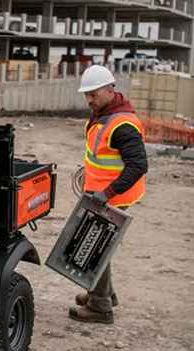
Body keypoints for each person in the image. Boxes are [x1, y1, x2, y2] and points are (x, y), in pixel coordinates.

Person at [68, 65, 148, 325]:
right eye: (86, 95)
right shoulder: (104, 114)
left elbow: (138, 165)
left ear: (110, 90)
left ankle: (100, 307)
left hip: (114, 198)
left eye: (93, 94)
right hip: (101, 193)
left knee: (96, 249)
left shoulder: (123, 125)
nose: (89, 100)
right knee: (102, 247)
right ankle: (104, 294)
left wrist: (107, 192)